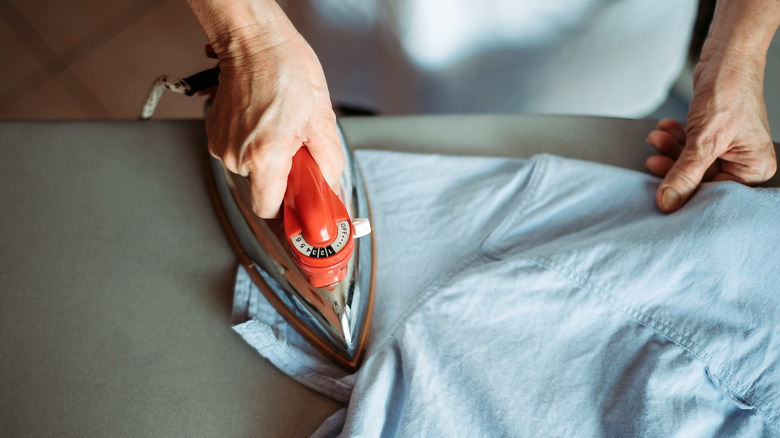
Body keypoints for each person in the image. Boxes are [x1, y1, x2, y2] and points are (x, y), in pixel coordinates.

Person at [184, 0, 779, 217]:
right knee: (348, 113)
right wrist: (250, 35)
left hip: (600, 47)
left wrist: (736, 59)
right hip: (367, 25)